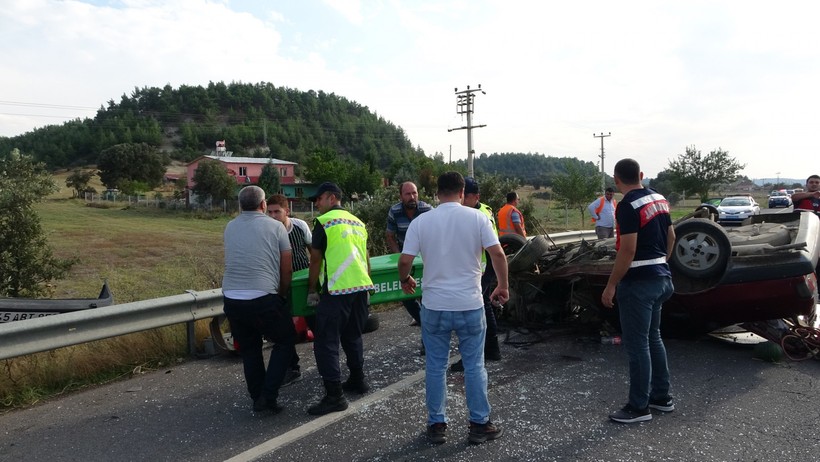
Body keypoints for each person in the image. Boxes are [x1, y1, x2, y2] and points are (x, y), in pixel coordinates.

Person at [398, 171, 509, 445]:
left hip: (434, 306)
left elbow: (404, 260)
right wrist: (502, 286)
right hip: (470, 304)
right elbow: (498, 254)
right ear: (462, 193)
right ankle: (479, 424)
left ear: (437, 193)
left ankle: (437, 426)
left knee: (435, 367)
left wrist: (405, 279)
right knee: (474, 366)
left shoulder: (422, 222)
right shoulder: (478, 218)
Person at [601, 159, 675, 424]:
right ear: (641, 175)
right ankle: (661, 397)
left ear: (617, 180)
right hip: (662, 279)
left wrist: (611, 285)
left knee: (637, 345)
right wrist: (661, 264)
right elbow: (672, 237)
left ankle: (638, 407)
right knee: (653, 338)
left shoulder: (627, 205)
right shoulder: (659, 199)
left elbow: (628, 249)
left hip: (639, 283)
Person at [222, 185, 294, 414]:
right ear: (263, 205)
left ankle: (257, 398)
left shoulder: (229, 227)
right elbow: (287, 268)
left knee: (250, 350)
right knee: (285, 340)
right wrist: (282, 294)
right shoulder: (276, 227)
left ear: (240, 205)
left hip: (232, 298)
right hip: (263, 297)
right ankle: (268, 395)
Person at [305, 182, 375, 416]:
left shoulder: (324, 223)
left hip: (336, 291)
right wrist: (368, 285)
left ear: (332, 198)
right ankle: (358, 379)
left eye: (319, 199)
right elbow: (366, 258)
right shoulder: (358, 222)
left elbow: (315, 260)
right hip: (360, 288)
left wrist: (312, 290)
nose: (316, 203)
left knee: (326, 341)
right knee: (353, 335)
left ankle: (334, 396)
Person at [450, 177, 502, 372]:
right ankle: (492, 349)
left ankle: (472, 356)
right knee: (485, 306)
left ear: (475, 197)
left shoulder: (479, 214)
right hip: (481, 265)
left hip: (481, 267)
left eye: (465, 197)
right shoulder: (483, 209)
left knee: (471, 311)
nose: (461, 201)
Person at [267, 194, 314, 386]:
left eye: (277, 211)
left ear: (287, 211)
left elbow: (314, 252)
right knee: (284, 329)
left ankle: (328, 362)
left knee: (315, 322)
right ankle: (293, 368)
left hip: (302, 283)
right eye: (269, 212)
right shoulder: (267, 231)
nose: (272, 216)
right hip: (281, 285)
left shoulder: (300, 226)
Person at [385, 182, 433, 328]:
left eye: (414, 193)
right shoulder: (394, 211)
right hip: (406, 258)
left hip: (426, 259)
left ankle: (427, 335)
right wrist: (398, 257)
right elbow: (390, 236)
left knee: (427, 295)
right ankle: (422, 320)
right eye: (408, 194)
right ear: (400, 196)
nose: (412, 197)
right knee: (406, 295)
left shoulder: (428, 210)